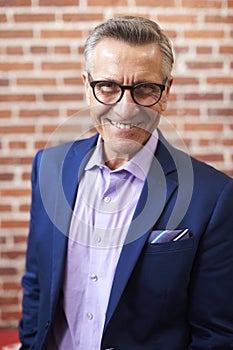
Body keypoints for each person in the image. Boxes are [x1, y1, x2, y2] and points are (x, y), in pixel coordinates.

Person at [19, 16, 233, 350]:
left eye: (145, 89)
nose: (126, 108)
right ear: (87, 87)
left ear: (165, 93)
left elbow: (215, 335)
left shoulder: (213, 196)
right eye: (107, 87)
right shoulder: (48, 167)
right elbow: (36, 284)